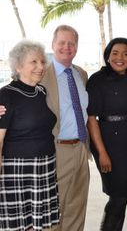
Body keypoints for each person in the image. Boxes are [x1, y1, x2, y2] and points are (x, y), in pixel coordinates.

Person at [87, 38, 127, 231]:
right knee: (118, 197)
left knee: (124, 196)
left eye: (126, 53)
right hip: (110, 145)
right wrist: (102, 152)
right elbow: (92, 118)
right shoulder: (97, 80)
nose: (120, 57)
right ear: (108, 56)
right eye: (115, 53)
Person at [0, 40, 59, 230]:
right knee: (18, 224)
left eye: (42, 61)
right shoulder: (6, 94)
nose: (40, 66)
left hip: (44, 164)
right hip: (17, 169)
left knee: (35, 224)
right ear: (18, 66)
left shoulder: (41, 91)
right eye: (33, 62)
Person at [41, 24, 90, 231]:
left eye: (71, 43)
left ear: (77, 47)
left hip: (80, 148)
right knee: (53, 210)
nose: (66, 47)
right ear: (53, 45)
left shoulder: (81, 74)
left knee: (77, 208)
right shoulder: (41, 73)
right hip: (56, 149)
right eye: (62, 43)